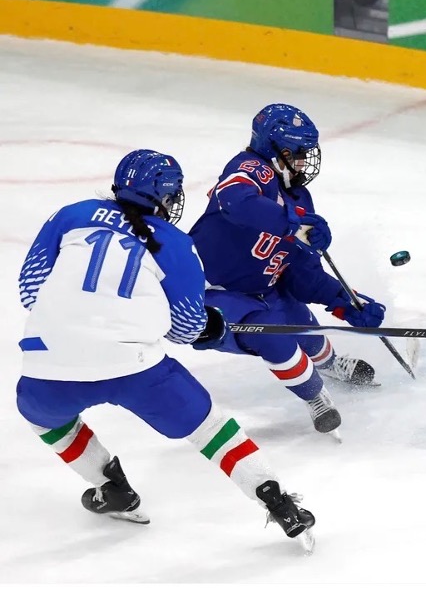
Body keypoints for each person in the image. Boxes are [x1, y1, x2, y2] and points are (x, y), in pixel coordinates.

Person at [15, 149, 316, 550]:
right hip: (135, 367)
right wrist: (211, 325)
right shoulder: (175, 243)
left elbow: (30, 288)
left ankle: (111, 487)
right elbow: (185, 328)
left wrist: (77, 316)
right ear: (167, 197)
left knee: (44, 419)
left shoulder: (72, 214)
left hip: (48, 363)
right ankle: (277, 502)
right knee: (210, 429)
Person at [188, 103, 386, 437]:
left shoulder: (299, 198)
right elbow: (235, 199)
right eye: (299, 153)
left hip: (264, 289)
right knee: (271, 335)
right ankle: (315, 396)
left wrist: (344, 301)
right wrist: (293, 224)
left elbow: (301, 274)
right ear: (276, 150)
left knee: (305, 329)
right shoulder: (251, 168)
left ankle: (329, 364)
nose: (305, 162)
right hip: (213, 293)